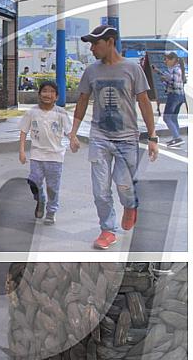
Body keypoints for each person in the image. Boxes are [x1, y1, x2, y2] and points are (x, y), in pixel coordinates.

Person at [70, 24, 160, 251]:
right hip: (99, 136)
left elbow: (144, 103)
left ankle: (130, 206)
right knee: (100, 189)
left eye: (95, 43)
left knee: (123, 185)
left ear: (110, 42)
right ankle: (108, 230)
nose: (91, 49)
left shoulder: (132, 69)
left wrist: (152, 136)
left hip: (127, 138)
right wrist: (73, 131)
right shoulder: (91, 71)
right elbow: (82, 100)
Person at [19, 80, 75, 225]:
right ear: (39, 94)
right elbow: (24, 131)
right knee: (34, 182)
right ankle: (41, 200)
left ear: (56, 96)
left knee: (52, 187)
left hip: (55, 157)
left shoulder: (61, 113)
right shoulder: (32, 112)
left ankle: (51, 211)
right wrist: (22, 151)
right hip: (37, 155)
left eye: (51, 92)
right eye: (44, 91)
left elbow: (69, 131)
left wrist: (73, 140)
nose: (47, 94)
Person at [160, 52, 185, 148]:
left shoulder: (175, 70)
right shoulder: (179, 69)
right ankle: (176, 138)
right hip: (180, 96)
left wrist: (165, 81)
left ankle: (177, 138)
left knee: (166, 117)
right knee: (173, 118)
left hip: (174, 96)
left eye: (166, 59)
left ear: (172, 60)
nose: (165, 61)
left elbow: (173, 84)